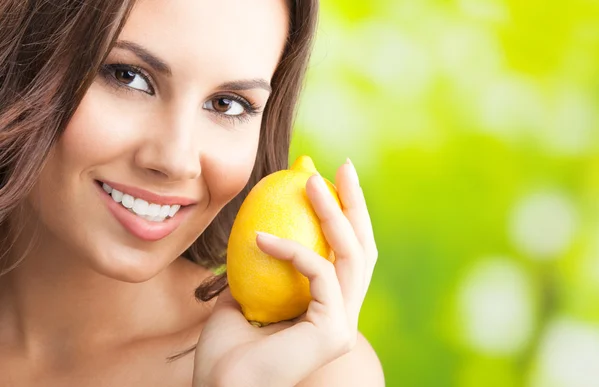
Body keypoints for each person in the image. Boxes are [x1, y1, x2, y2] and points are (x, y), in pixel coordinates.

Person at [0, 0, 384, 385]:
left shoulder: (310, 373)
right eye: (128, 76)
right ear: (22, 55)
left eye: (226, 104)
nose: (177, 160)